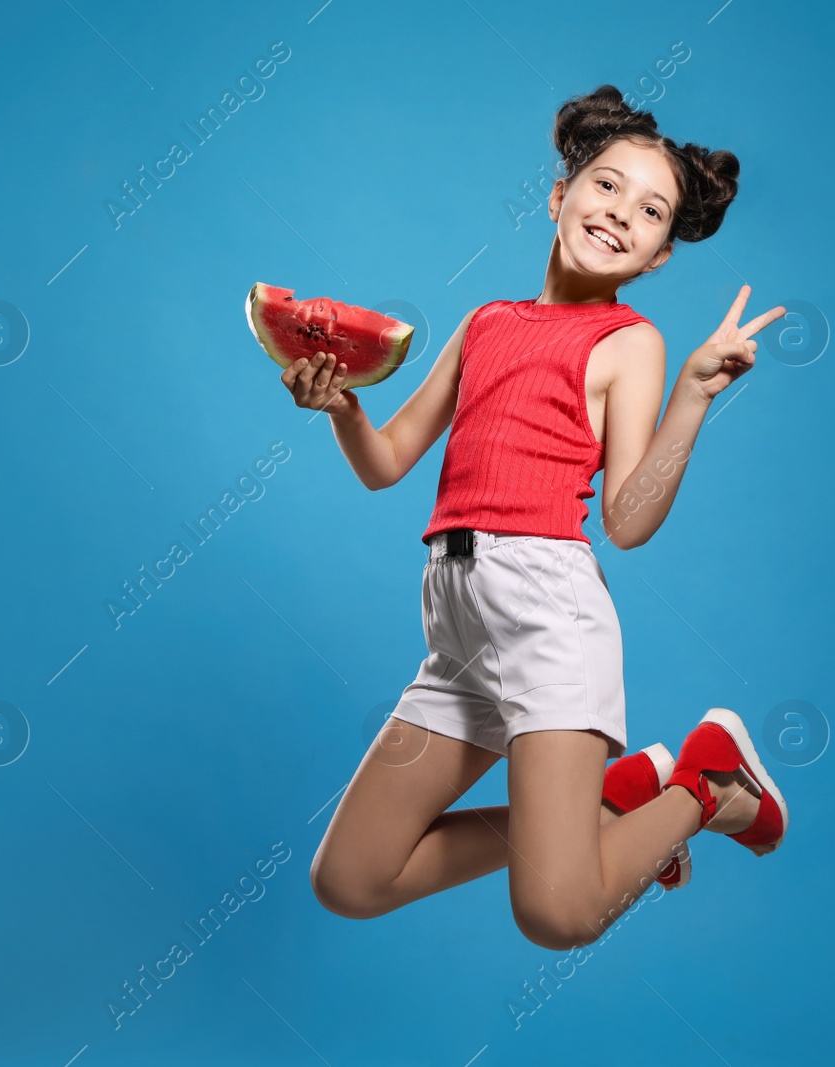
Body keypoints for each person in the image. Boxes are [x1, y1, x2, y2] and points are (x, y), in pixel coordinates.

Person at [292, 84, 789, 950]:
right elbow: (386, 466)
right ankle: (608, 800)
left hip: (545, 611)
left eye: (650, 210)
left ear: (660, 254)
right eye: (606, 185)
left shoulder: (631, 342)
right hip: (456, 618)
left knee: (557, 913)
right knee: (350, 878)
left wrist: (693, 397)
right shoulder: (484, 322)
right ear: (559, 195)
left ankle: (707, 786)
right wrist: (342, 406)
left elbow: (628, 520)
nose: (620, 212)